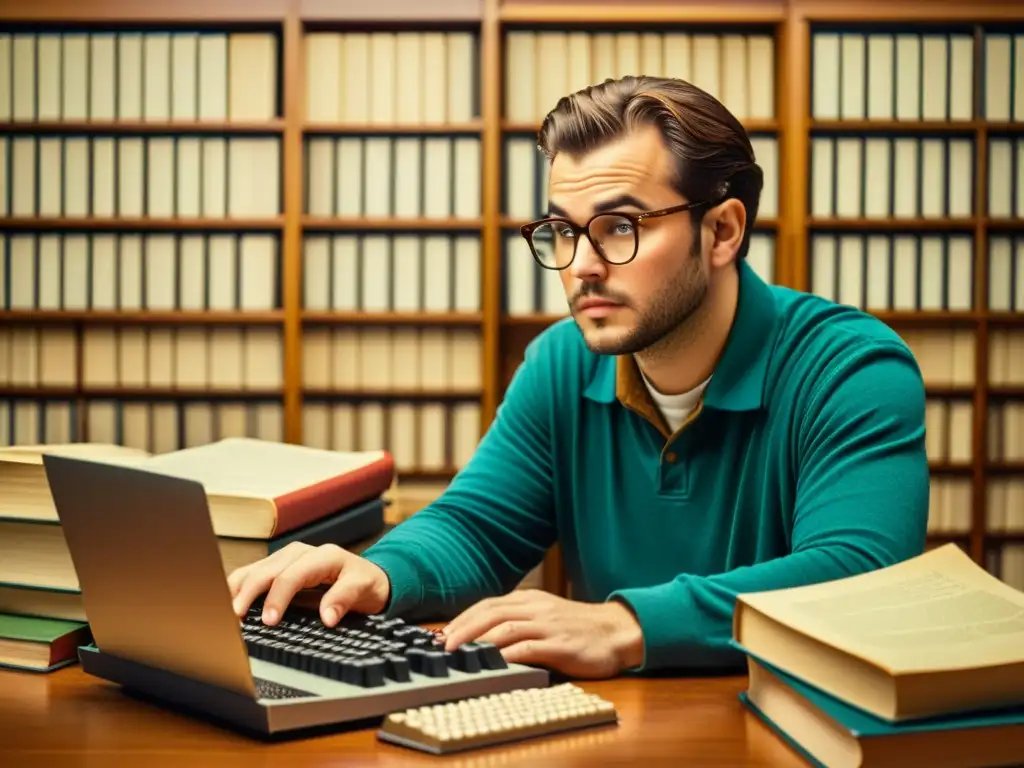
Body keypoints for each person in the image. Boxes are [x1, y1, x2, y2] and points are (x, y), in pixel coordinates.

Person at [228, 75, 929, 679]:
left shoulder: (851, 368)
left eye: (620, 227)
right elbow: (478, 528)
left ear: (722, 231)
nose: (582, 265)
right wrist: (382, 574)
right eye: (563, 231)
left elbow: (856, 573)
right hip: (613, 730)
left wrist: (626, 626)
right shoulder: (563, 363)